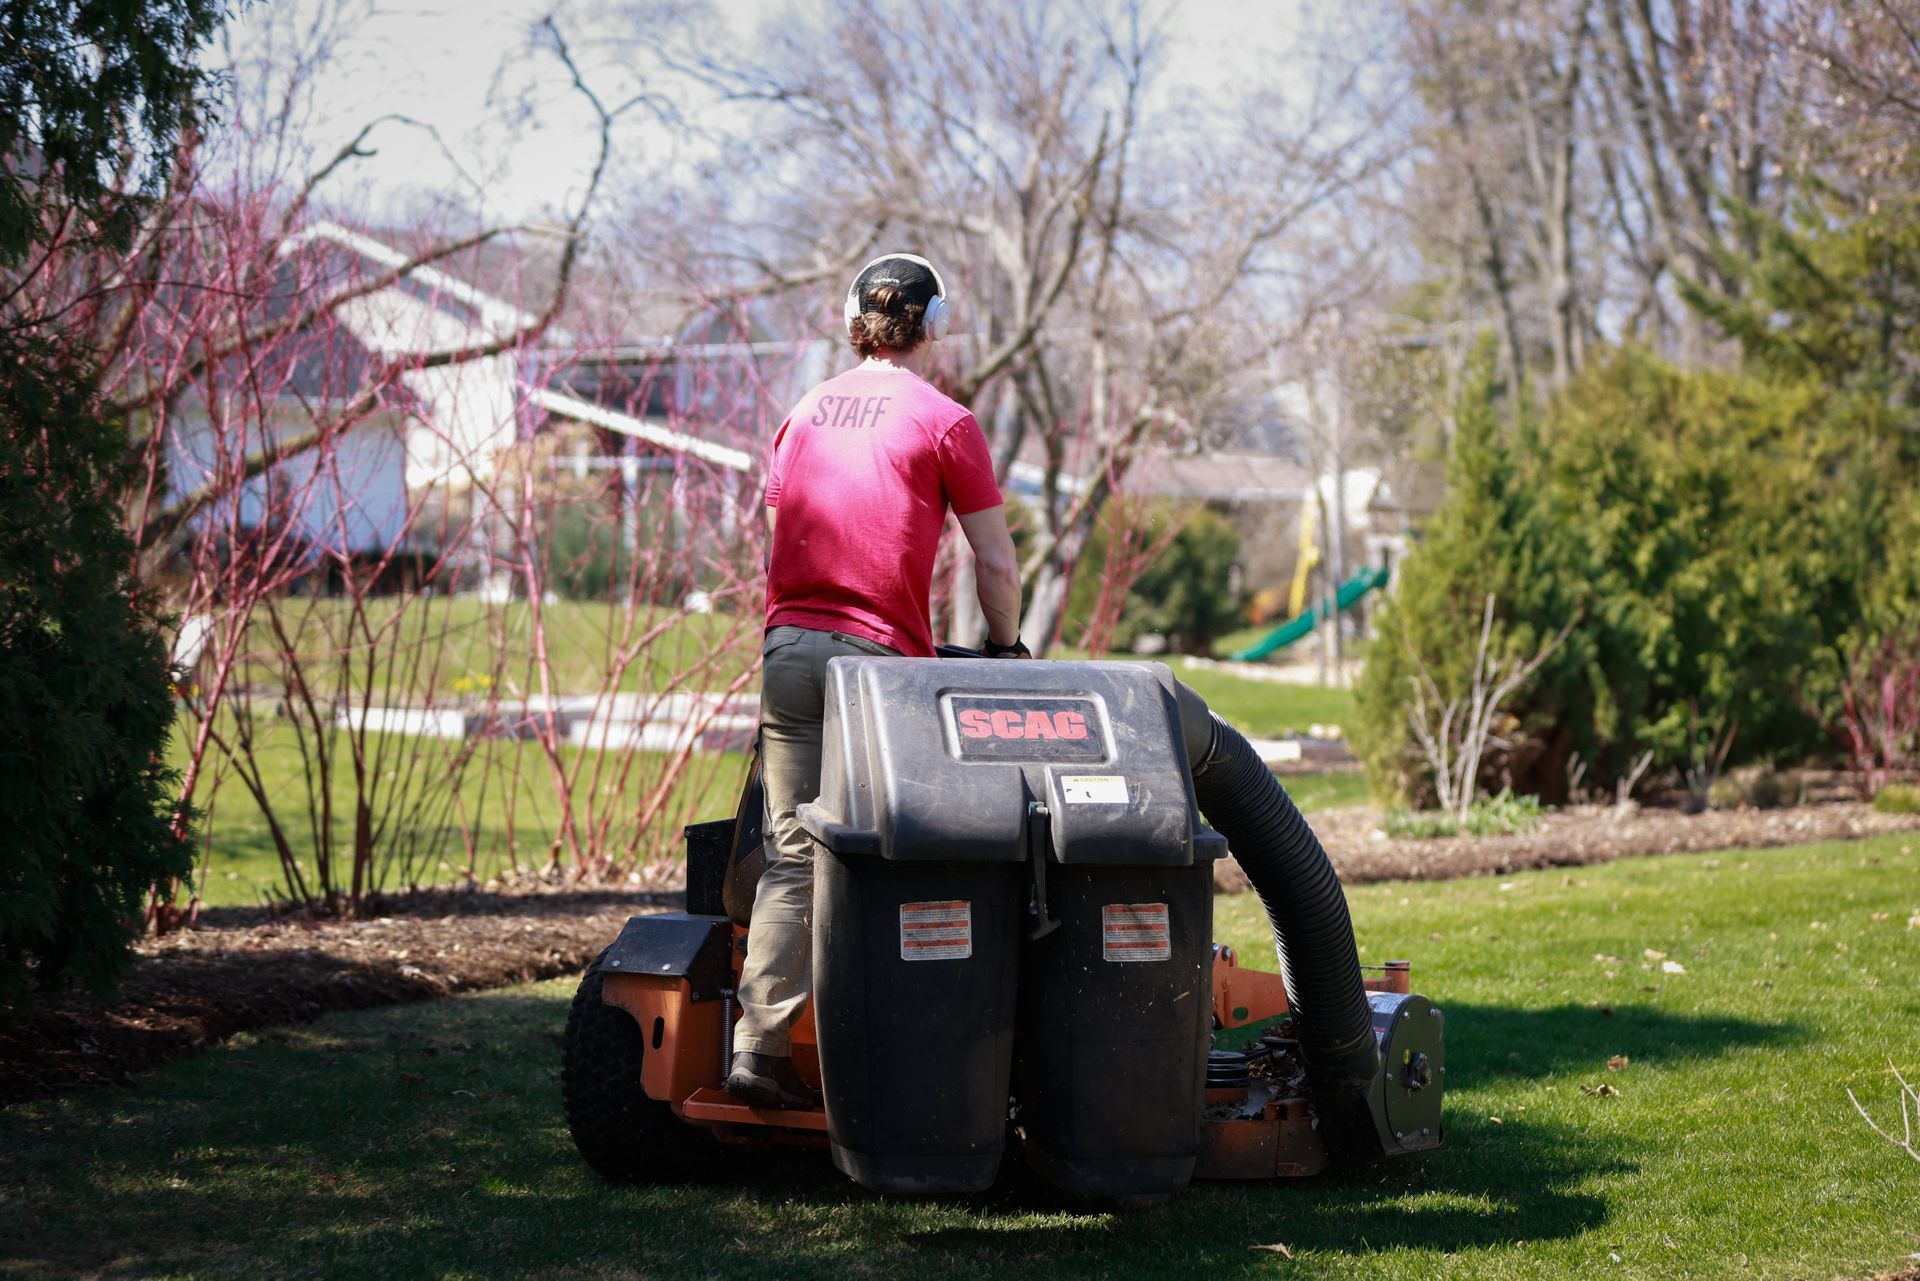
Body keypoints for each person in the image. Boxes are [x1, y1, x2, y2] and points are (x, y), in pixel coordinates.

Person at [724, 253, 1029, 1109]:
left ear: (852, 318)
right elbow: (995, 563)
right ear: (933, 325)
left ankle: (759, 1047)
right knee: (905, 853)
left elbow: (789, 531)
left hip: (788, 649)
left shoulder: (803, 414)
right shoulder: (945, 422)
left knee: (793, 853)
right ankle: (909, 1059)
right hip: (878, 666)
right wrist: (1005, 651)